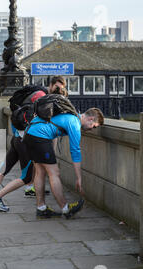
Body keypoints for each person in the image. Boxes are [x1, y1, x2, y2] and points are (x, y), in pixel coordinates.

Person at [0, 82, 68, 214]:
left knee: (3, 169)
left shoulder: (35, 93)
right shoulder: (42, 97)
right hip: (24, 140)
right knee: (26, 177)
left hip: (16, 136)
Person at [23, 80, 105, 219]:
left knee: (40, 172)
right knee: (54, 173)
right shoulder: (74, 123)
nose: (92, 129)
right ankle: (65, 209)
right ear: (90, 119)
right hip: (39, 137)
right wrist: (79, 178)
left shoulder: (70, 116)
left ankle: (41, 208)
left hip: (30, 133)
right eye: (94, 126)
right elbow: (75, 151)